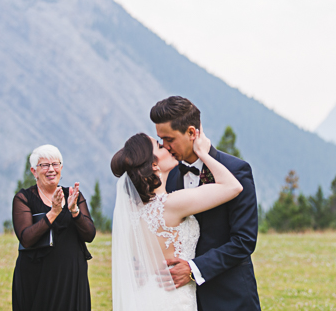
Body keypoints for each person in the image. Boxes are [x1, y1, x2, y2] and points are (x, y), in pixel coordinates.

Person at [111, 125, 243, 311]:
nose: (167, 146)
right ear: (154, 164)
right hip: (173, 300)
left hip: (144, 297)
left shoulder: (134, 212)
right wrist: (203, 153)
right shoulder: (171, 204)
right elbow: (233, 187)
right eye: (159, 145)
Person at [150, 96, 261, 311]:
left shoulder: (236, 171)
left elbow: (244, 240)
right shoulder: (170, 176)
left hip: (230, 296)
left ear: (192, 133)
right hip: (183, 300)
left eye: (169, 139)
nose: (164, 146)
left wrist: (193, 268)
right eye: (160, 139)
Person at [11, 144, 95, 311]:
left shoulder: (73, 196)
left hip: (71, 278)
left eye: (55, 164)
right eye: (44, 165)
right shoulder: (24, 198)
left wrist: (74, 211)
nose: (51, 169)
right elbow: (26, 238)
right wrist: (54, 212)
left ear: (61, 168)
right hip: (37, 278)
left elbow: (90, 235)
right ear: (34, 171)